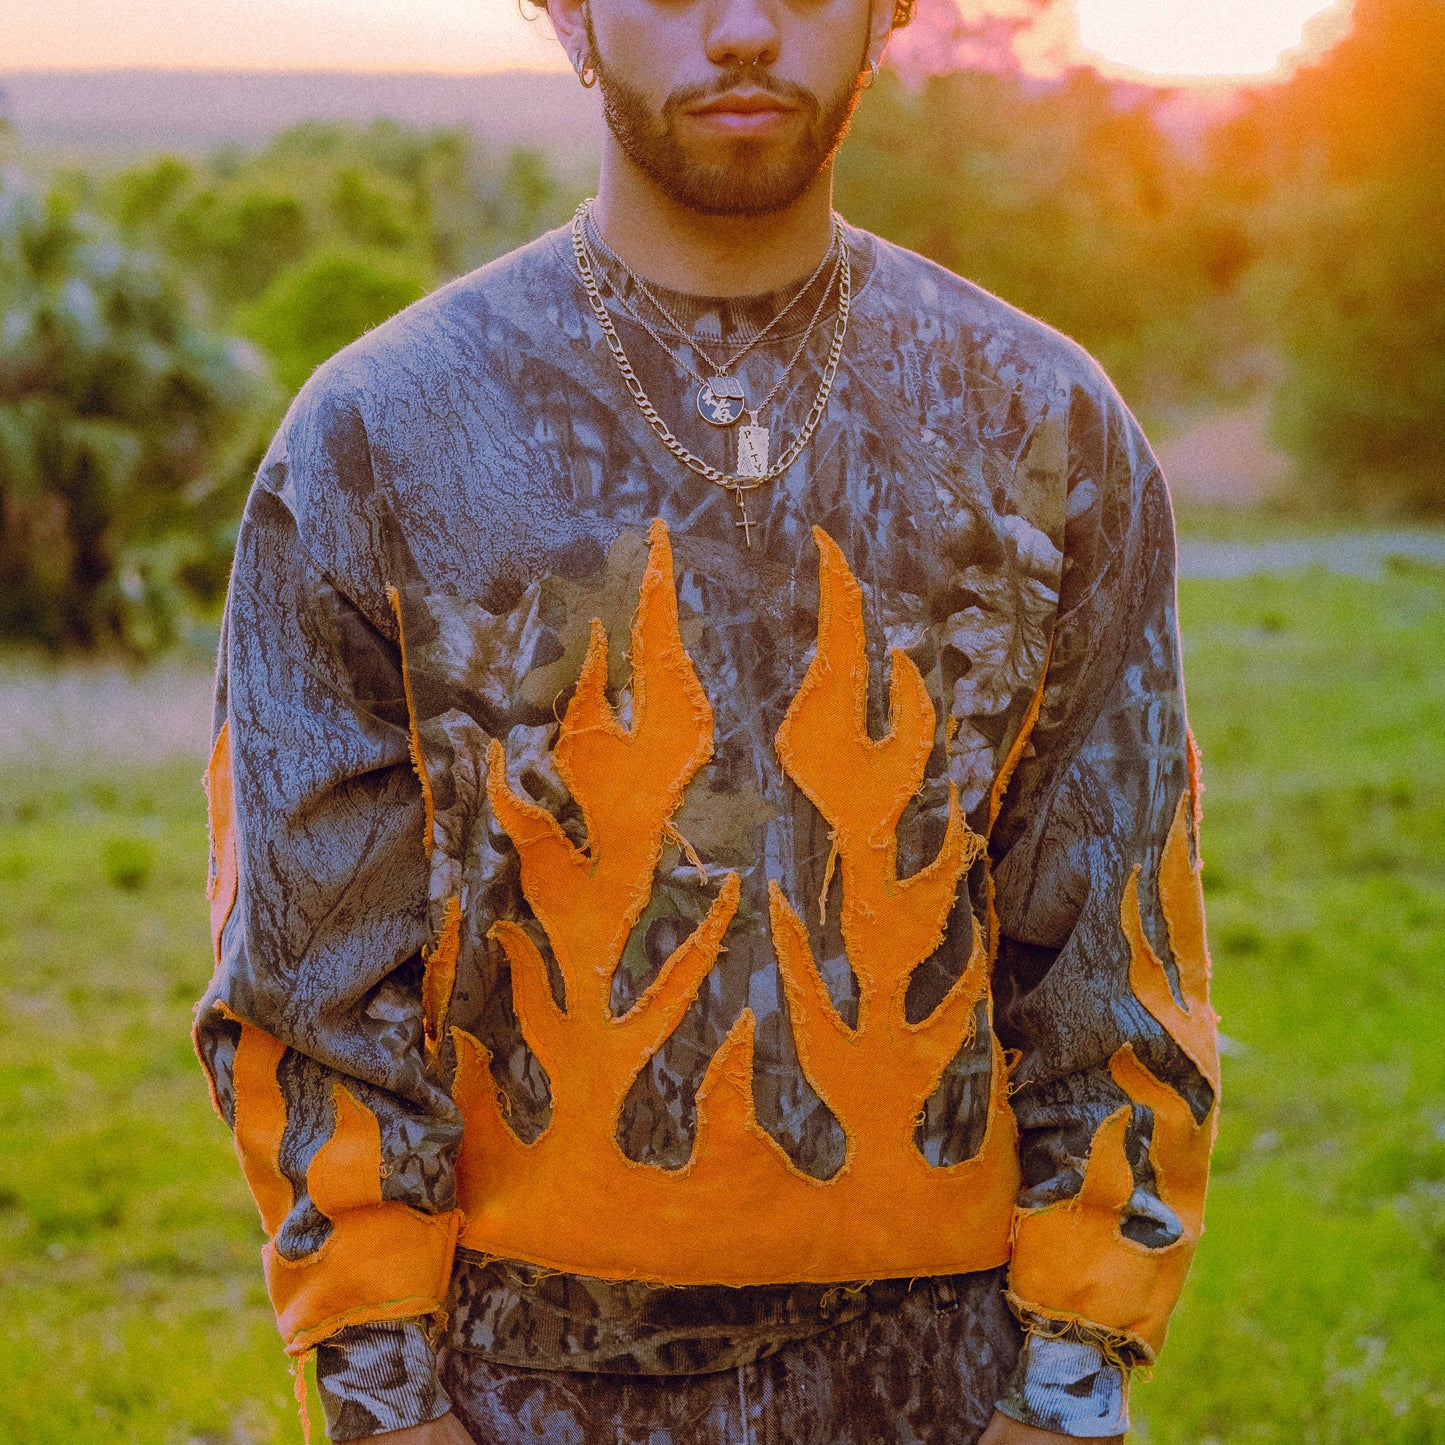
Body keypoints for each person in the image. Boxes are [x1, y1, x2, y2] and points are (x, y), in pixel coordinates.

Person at [195, 0, 1220, 1439]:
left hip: (952, 1372)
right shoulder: (383, 430)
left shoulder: (1040, 421)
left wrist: (1064, 1384)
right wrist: (383, 1393)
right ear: (566, 11)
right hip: (508, 1377)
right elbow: (307, 961)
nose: (741, 30)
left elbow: (1113, 928)